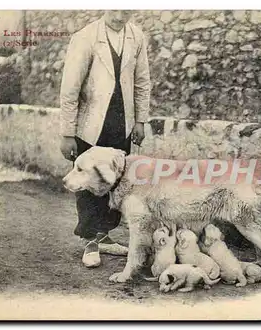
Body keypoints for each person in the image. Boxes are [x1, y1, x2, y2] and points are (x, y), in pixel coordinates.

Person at [59, 10, 150, 268]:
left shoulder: (137, 37)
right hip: (90, 125)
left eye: (127, 11)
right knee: (89, 181)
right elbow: (70, 89)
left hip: (122, 124)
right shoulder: (85, 37)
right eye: (115, 10)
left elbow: (142, 81)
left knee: (115, 182)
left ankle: (105, 235)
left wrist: (140, 121)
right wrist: (67, 133)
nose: (120, 17)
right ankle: (90, 240)